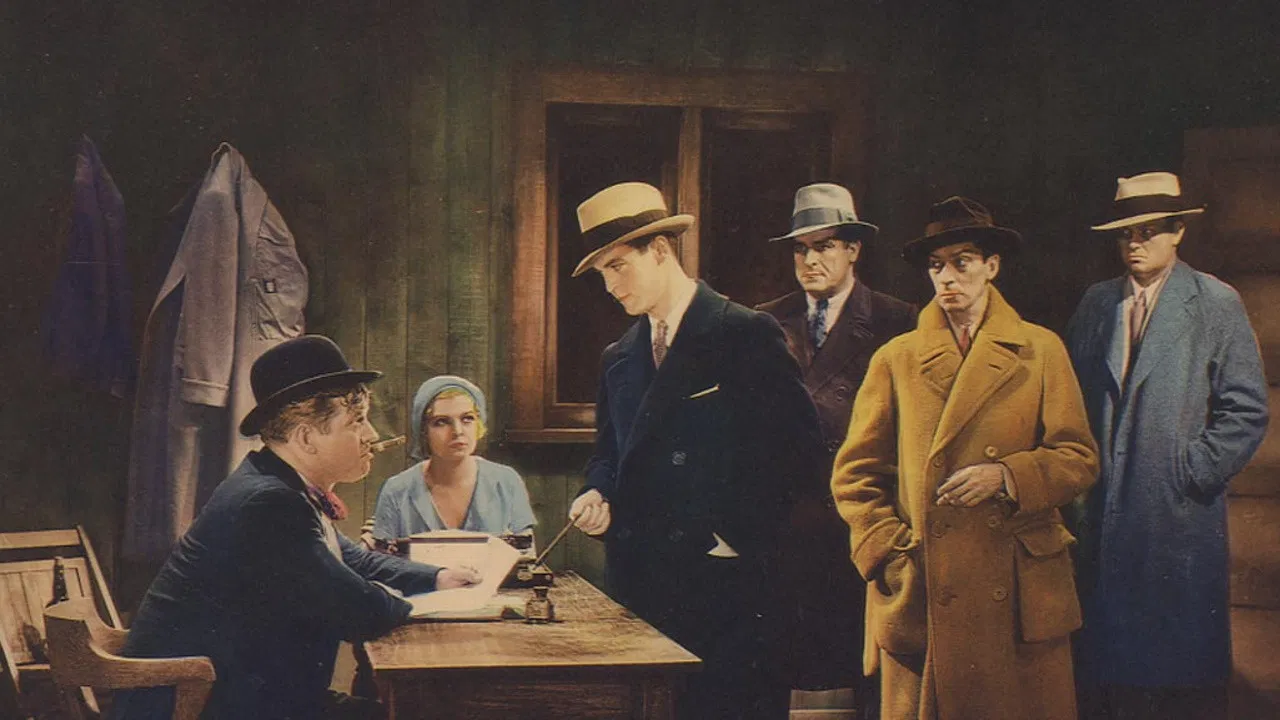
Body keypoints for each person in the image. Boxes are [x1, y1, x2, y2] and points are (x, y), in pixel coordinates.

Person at [109, 335, 480, 720]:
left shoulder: (277, 484)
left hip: (244, 701)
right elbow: (360, 610)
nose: (371, 435)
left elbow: (355, 561)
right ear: (306, 437)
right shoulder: (270, 503)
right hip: (203, 710)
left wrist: (438, 578)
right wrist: (422, 604)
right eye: (357, 421)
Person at [832, 196, 1099, 720]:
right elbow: (855, 476)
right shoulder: (897, 359)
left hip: (1016, 591)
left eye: (963, 262)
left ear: (992, 266)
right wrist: (889, 554)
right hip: (925, 586)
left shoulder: (1040, 350)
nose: (948, 277)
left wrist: (1007, 475)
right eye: (937, 266)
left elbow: (1078, 457)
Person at [567, 181, 825, 719]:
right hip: (641, 590)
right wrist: (597, 492)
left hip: (729, 595)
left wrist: (730, 539)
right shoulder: (619, 356)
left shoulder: (744, 332)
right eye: (601, 274)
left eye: (618, 266)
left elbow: (800, 456)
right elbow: (609, 454)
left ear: (661, 250)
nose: (610, 286)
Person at [1065, 172, 1268, 720]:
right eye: (1126, 233)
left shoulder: (1214, 302)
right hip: (1102, 515)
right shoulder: (1097, 303)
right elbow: (1069, 397)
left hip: (1176, 519)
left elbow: (1247, 409)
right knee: (1105, 675)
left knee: (1178, 675)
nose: (1135, 243)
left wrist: (1190, 470)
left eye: (1149, 231)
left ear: (1178, 232)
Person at [756, 182, 915, 709]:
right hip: (784, 523)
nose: (810, 260)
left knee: (864, 666)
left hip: (858, 521)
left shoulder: (898, 321)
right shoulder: (764, 321)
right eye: (800, 249)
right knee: (780, 664)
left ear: (853, 249)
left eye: (823, 246)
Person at [371, 375, 535, 540]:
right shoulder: (398, 490)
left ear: (479, 424)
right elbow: (379, 554)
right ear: (424, 431)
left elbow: (526, 550)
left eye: (467, 419)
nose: (457, 431)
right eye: (442, 422)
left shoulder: (506, 482)